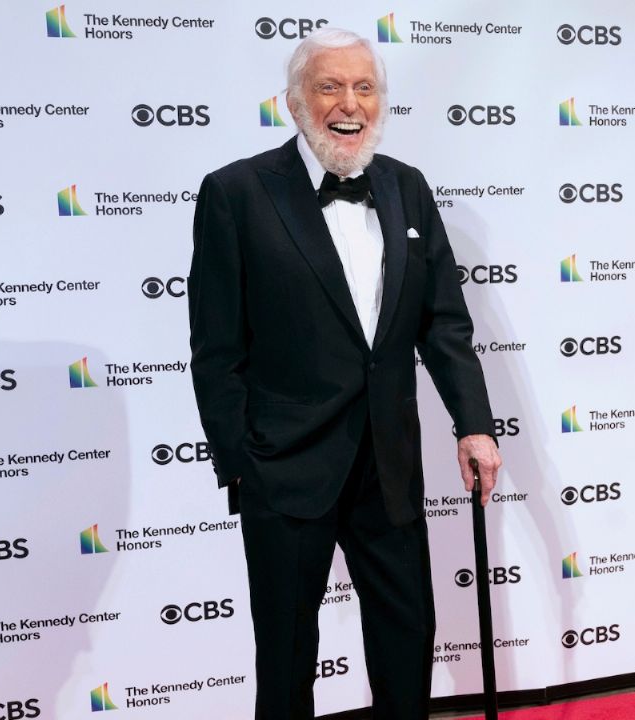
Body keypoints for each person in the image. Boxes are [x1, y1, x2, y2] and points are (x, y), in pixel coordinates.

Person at [187, 27, 503, 720]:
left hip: (388, 460)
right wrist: (242, 463)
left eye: (364, 87)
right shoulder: (236, 193)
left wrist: (474, 425)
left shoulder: (406, 187)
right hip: (284, 465)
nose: (349, 103)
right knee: (286, 656)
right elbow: (215, 349)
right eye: (329, 86)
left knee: (407, 639)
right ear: (296, 101)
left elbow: (443, 324)